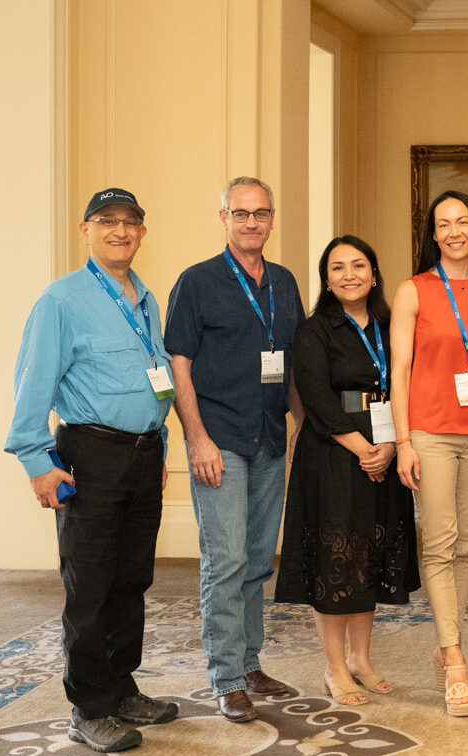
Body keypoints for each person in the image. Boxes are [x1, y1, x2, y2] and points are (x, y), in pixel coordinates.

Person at [5, 188, 177, 752]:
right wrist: (38, 463)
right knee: (91, 584)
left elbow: (155, 380)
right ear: (86, 230)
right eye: (107, 220)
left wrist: (158, 448)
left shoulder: (146, 299)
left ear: (142, 233)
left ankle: (122, 688)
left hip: (144, 454)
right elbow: (32, 383)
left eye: (130, 222)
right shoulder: (61, 300)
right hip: (90, 454)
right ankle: (90, 708)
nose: (119, 230)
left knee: (132, 579)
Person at [166, 177, 304, 724]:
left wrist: (301, 424)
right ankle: (226, 678)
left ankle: (249, 664)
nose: (251, 222)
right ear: (223, 218)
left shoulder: (285, 283)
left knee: (257, 560)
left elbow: (290, 361)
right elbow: (178, 365)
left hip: (269, 437)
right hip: (219, 440)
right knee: (225, 562)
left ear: (271, 219)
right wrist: (196, 438)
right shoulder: (197, 282)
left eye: (260, 212)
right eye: (240, 213)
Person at [275, 235, 420, 706]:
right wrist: (364, 449)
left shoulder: (390, 324)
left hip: (386, 445)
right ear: (327, 279)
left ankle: (362, 659)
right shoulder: (315, 330)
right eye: (337, 267)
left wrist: (392, 446)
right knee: (336, 560)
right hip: (333, 455)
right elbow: (316, 398)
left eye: (358, 265)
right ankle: (335, 666)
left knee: (370, 556)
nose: (349, 275)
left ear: (374, 274)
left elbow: (407, 382)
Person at [391, 190, 468, 718]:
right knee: (440, 544)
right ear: (433, 235)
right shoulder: (413, 291)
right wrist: (402, 442)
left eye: (463, 222)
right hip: (430, 432)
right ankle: (456, 658)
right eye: (444, 224)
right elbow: (398, 371)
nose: (455, 231)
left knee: (466, 543)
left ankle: (447, 647)